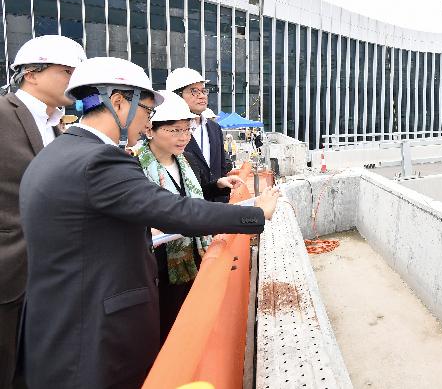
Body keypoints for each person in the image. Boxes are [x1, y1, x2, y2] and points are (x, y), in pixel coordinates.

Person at [20, 57, 281, 389]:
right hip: (92, 335)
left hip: (57, 326)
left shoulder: (57, 151)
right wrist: (256, 212)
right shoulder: (100, 160)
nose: (147, 121)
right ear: (118, 102)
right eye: (146, 110)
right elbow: (175, 211)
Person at [0, 35, 86, 389]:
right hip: (9, 272)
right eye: (67, 71)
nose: (75, 81)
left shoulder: (58, 127)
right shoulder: (3, 115)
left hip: (50, 276)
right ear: (31, 73)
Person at [138, 91, 245, 342]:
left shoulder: (186, 160)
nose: (183, 137)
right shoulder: (135, 167)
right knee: (166, 326)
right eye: (175, 130)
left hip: (193, 255)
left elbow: (191, 197)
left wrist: (217, 185)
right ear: (150, 130)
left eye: (187, 130)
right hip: (159, 266)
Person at [166, 68, 232, 202]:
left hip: (217, 205)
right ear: (176, 96)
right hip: (186, 207)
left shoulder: (214, 128)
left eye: (203, 91)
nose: (202, 96)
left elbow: (221, 168)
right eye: (194, 91)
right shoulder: (167, 132)